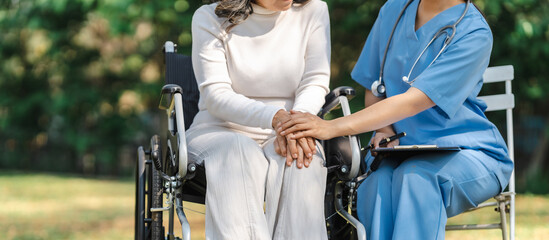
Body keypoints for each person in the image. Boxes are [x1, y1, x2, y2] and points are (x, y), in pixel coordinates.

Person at [277, 0, 513, 239]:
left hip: (466, 152)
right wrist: (383, 129)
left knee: (416, 181)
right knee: (375, 184)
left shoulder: (474, 32)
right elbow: (375, 84)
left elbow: (413, 101)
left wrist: (330, 127)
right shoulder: (394, 9)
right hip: (397, 152)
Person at [187, 0, 331, 239]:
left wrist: (294, 125)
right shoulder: (208, 17)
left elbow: (315, 80)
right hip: (220, 129)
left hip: (291, 128)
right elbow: (216, 95)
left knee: (302, 161)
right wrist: (274, 117)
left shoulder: (314, 10)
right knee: (237, 152)